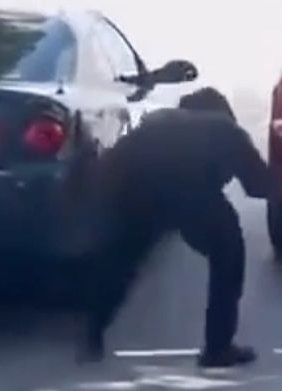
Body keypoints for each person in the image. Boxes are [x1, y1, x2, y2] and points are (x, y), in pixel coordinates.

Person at [78, 87, 271, 368]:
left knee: (120, 265)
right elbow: (258, 186)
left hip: (139, 193)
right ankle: (218, 348)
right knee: (228, 254)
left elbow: (110, 169)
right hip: (195, 196)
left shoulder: (154, 125)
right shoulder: (224, 129)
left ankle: (91, 336)